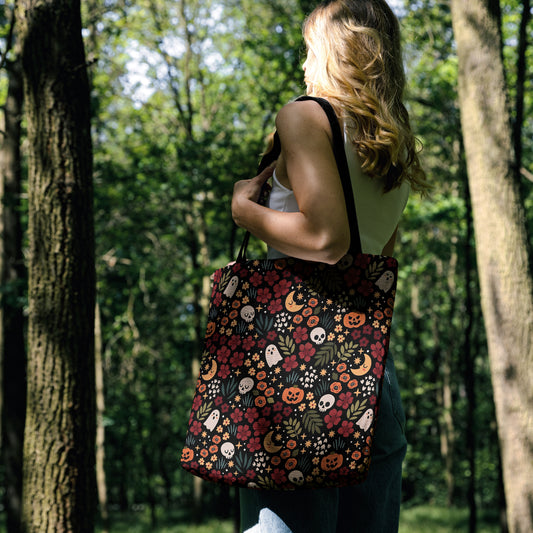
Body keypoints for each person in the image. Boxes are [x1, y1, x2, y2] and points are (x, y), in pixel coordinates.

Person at [231, 1, 429, 531]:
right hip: (369, 370)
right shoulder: (390, 140)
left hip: (296, 367)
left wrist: (245, 210)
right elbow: (381, 256)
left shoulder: (304, 117)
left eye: (310, 44)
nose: (303, 59)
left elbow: (326, 239)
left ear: (332, 49)